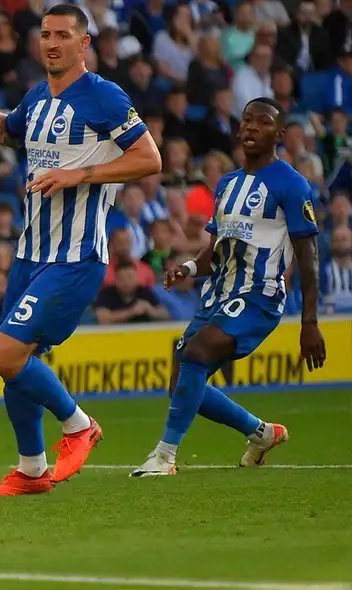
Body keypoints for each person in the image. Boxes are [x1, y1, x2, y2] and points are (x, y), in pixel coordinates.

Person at [0, 4, 162, 496]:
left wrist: (80, 174)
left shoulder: (104, 96)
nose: (52, 43)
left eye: (63, 35)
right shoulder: (38, 96)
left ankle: (79, 425)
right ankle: (32, 470)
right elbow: (6, 131)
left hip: (75, 255)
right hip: (30, 253)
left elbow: (149, 158)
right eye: (45, 35)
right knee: (17, 365)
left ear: (84, 43)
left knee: (3, 354)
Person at [131, 98, 327, 477]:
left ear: (279, 134)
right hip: (217, 295)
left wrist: (310, 322)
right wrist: (189, 267)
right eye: (248, 120)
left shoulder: (292, 184)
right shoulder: (227, 184)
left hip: (258, 296)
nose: (252, 127)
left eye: (263, 122)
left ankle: (164, 457)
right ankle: (262, 433)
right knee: (180, 382)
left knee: (196, 353)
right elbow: (218, 247)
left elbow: (308, 257)